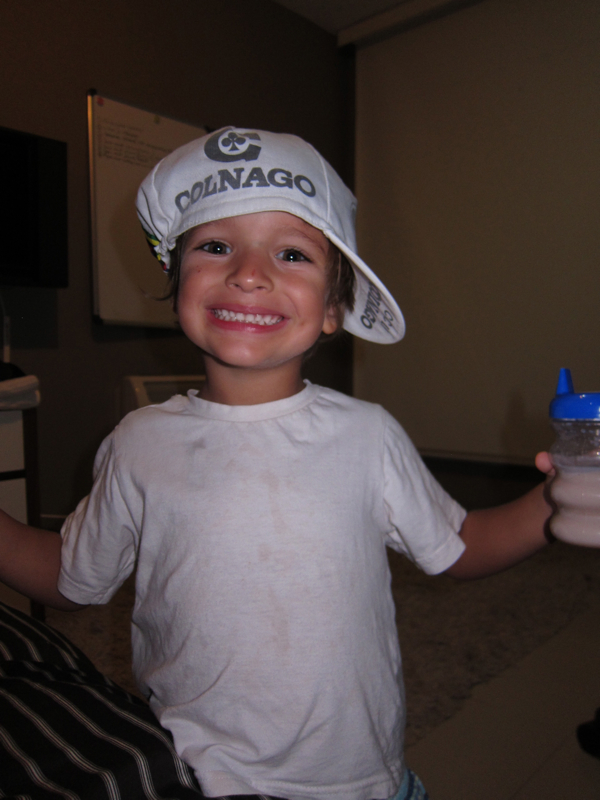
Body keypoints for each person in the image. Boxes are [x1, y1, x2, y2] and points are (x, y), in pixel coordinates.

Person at [0, 128, 554, 800]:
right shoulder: (137, 442)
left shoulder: (367, 435)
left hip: (355, 781)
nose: (248, 272)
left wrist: (553, 502)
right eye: (215, 246)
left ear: (334, 309)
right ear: (176, 283)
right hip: (197, 774)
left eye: (292, 253)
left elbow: (458, 545)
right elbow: (71, 576)